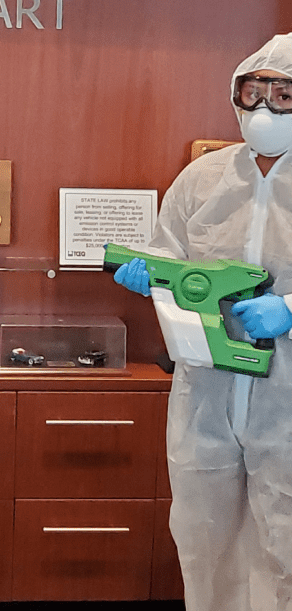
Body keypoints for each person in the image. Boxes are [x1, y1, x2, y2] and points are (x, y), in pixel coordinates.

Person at [113, 32, 292, 611]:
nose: (263, 109)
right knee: (203, 534)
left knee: (286, 539)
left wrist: (289, 309)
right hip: (205, 392)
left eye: (283, 95)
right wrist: (154, 275)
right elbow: (171, 257)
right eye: (252, 92)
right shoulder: (202, 179)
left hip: (287, 400)